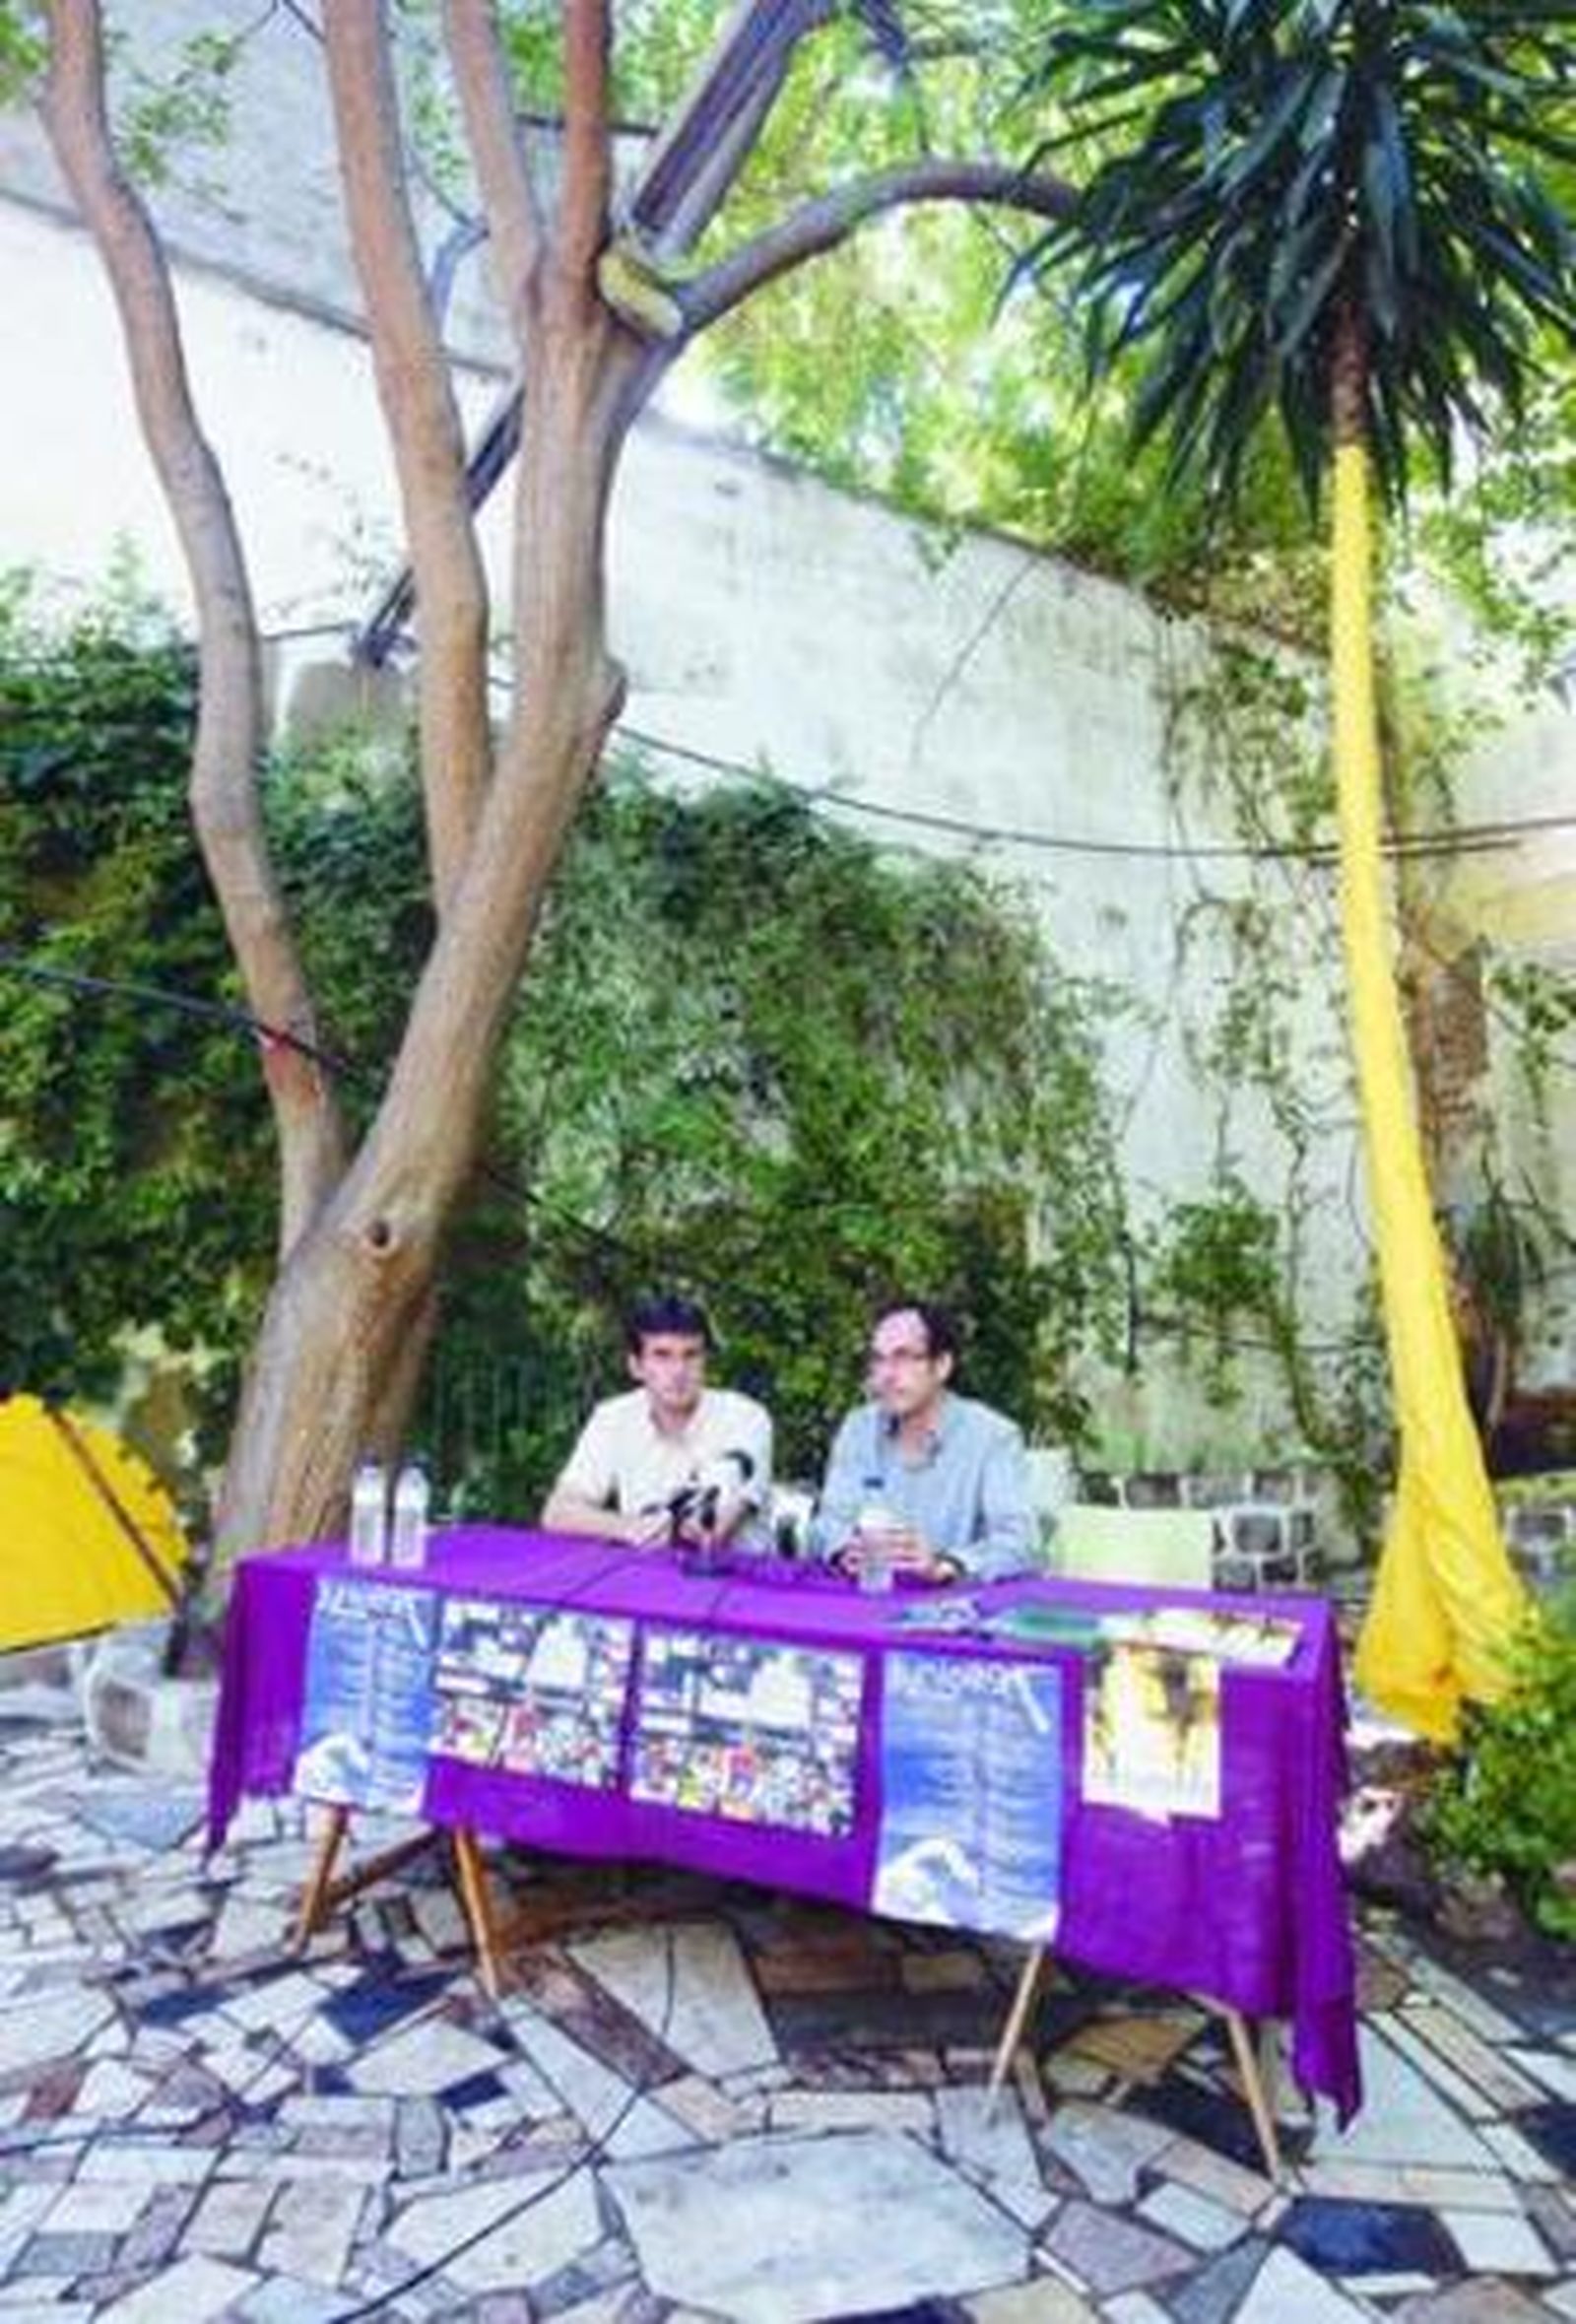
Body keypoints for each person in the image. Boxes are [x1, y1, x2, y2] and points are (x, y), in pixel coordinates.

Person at [814, 1298, 1034, 1584]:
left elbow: (1021, 1544)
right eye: (878, 1359)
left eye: (903, 1358)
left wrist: (946, 1565)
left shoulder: (993, 1437)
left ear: (942, 1366)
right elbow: (828, 1522)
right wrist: (844, 1549)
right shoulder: (859, 1428)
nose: (887, 1375)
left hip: (954, 1608)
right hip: (866, 1599)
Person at [543, 1295, 772, 1550]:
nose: (678, 1371)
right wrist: (629, 1527)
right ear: (636, 1366)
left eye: (691, 1355)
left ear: (705, 1361)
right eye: (662, 1356)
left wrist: (669, 1528)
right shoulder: (612, 1417)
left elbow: (714, 1532)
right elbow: (557, 1513)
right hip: (649, 1576)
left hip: (737, 1580)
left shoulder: (746, 1418)